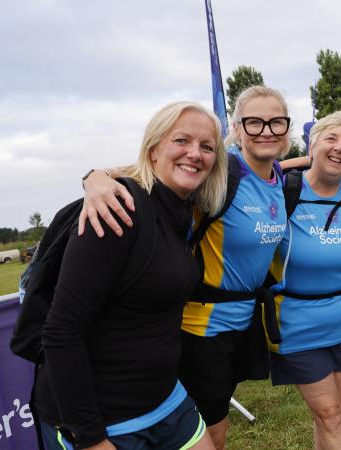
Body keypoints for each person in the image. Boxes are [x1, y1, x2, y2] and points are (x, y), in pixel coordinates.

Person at [81, 86, 291, 449]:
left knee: (213, 423)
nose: (266, 131)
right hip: (202, 328)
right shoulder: (221, 171)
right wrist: (96, 177)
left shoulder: (277, 178)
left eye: (276, 122)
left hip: (242, 325)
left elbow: (278, 167)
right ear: (237, 129)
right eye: (254, 122)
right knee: (213, 433)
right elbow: (148, 171)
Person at [35, 101, 224, 449]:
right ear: (152, 151)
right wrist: (92, 439)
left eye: (207, 146)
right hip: (105, 421)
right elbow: (62, 332)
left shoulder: (183, 213)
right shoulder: (117, 210)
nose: (195, 154)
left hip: (167, 401)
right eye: (181, 141)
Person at [267, 110, 341, 450]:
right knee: (330, 415)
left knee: (329, 414)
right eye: (331, 139)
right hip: (298, 325)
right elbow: (245, 171)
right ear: (312, 145)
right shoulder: (284, 191)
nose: (339, 148)